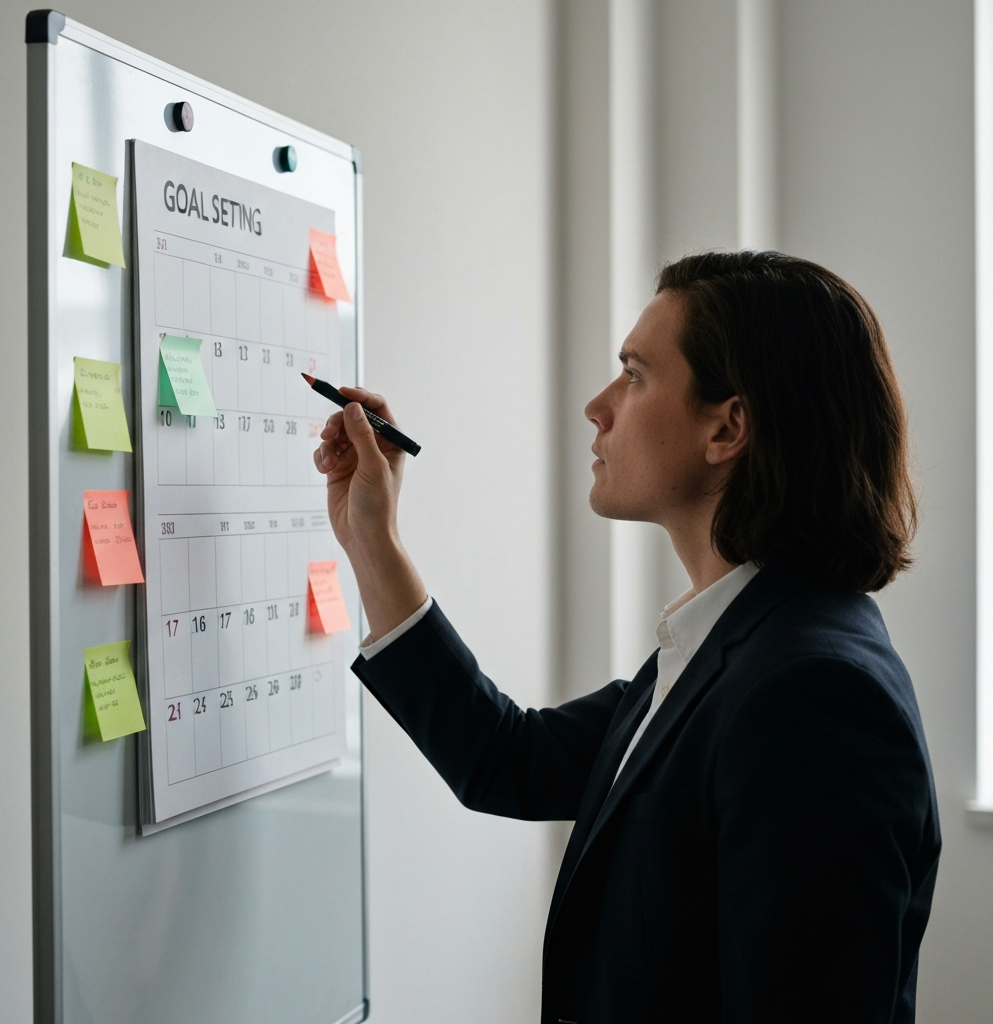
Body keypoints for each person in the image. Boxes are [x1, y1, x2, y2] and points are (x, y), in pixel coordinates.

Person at [313, 251, 940, 1023]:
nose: (597, 407)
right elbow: (508, 761)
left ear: (727, 427)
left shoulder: (810, 694)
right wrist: (371, 539)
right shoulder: (737, 639)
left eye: (635, 375)